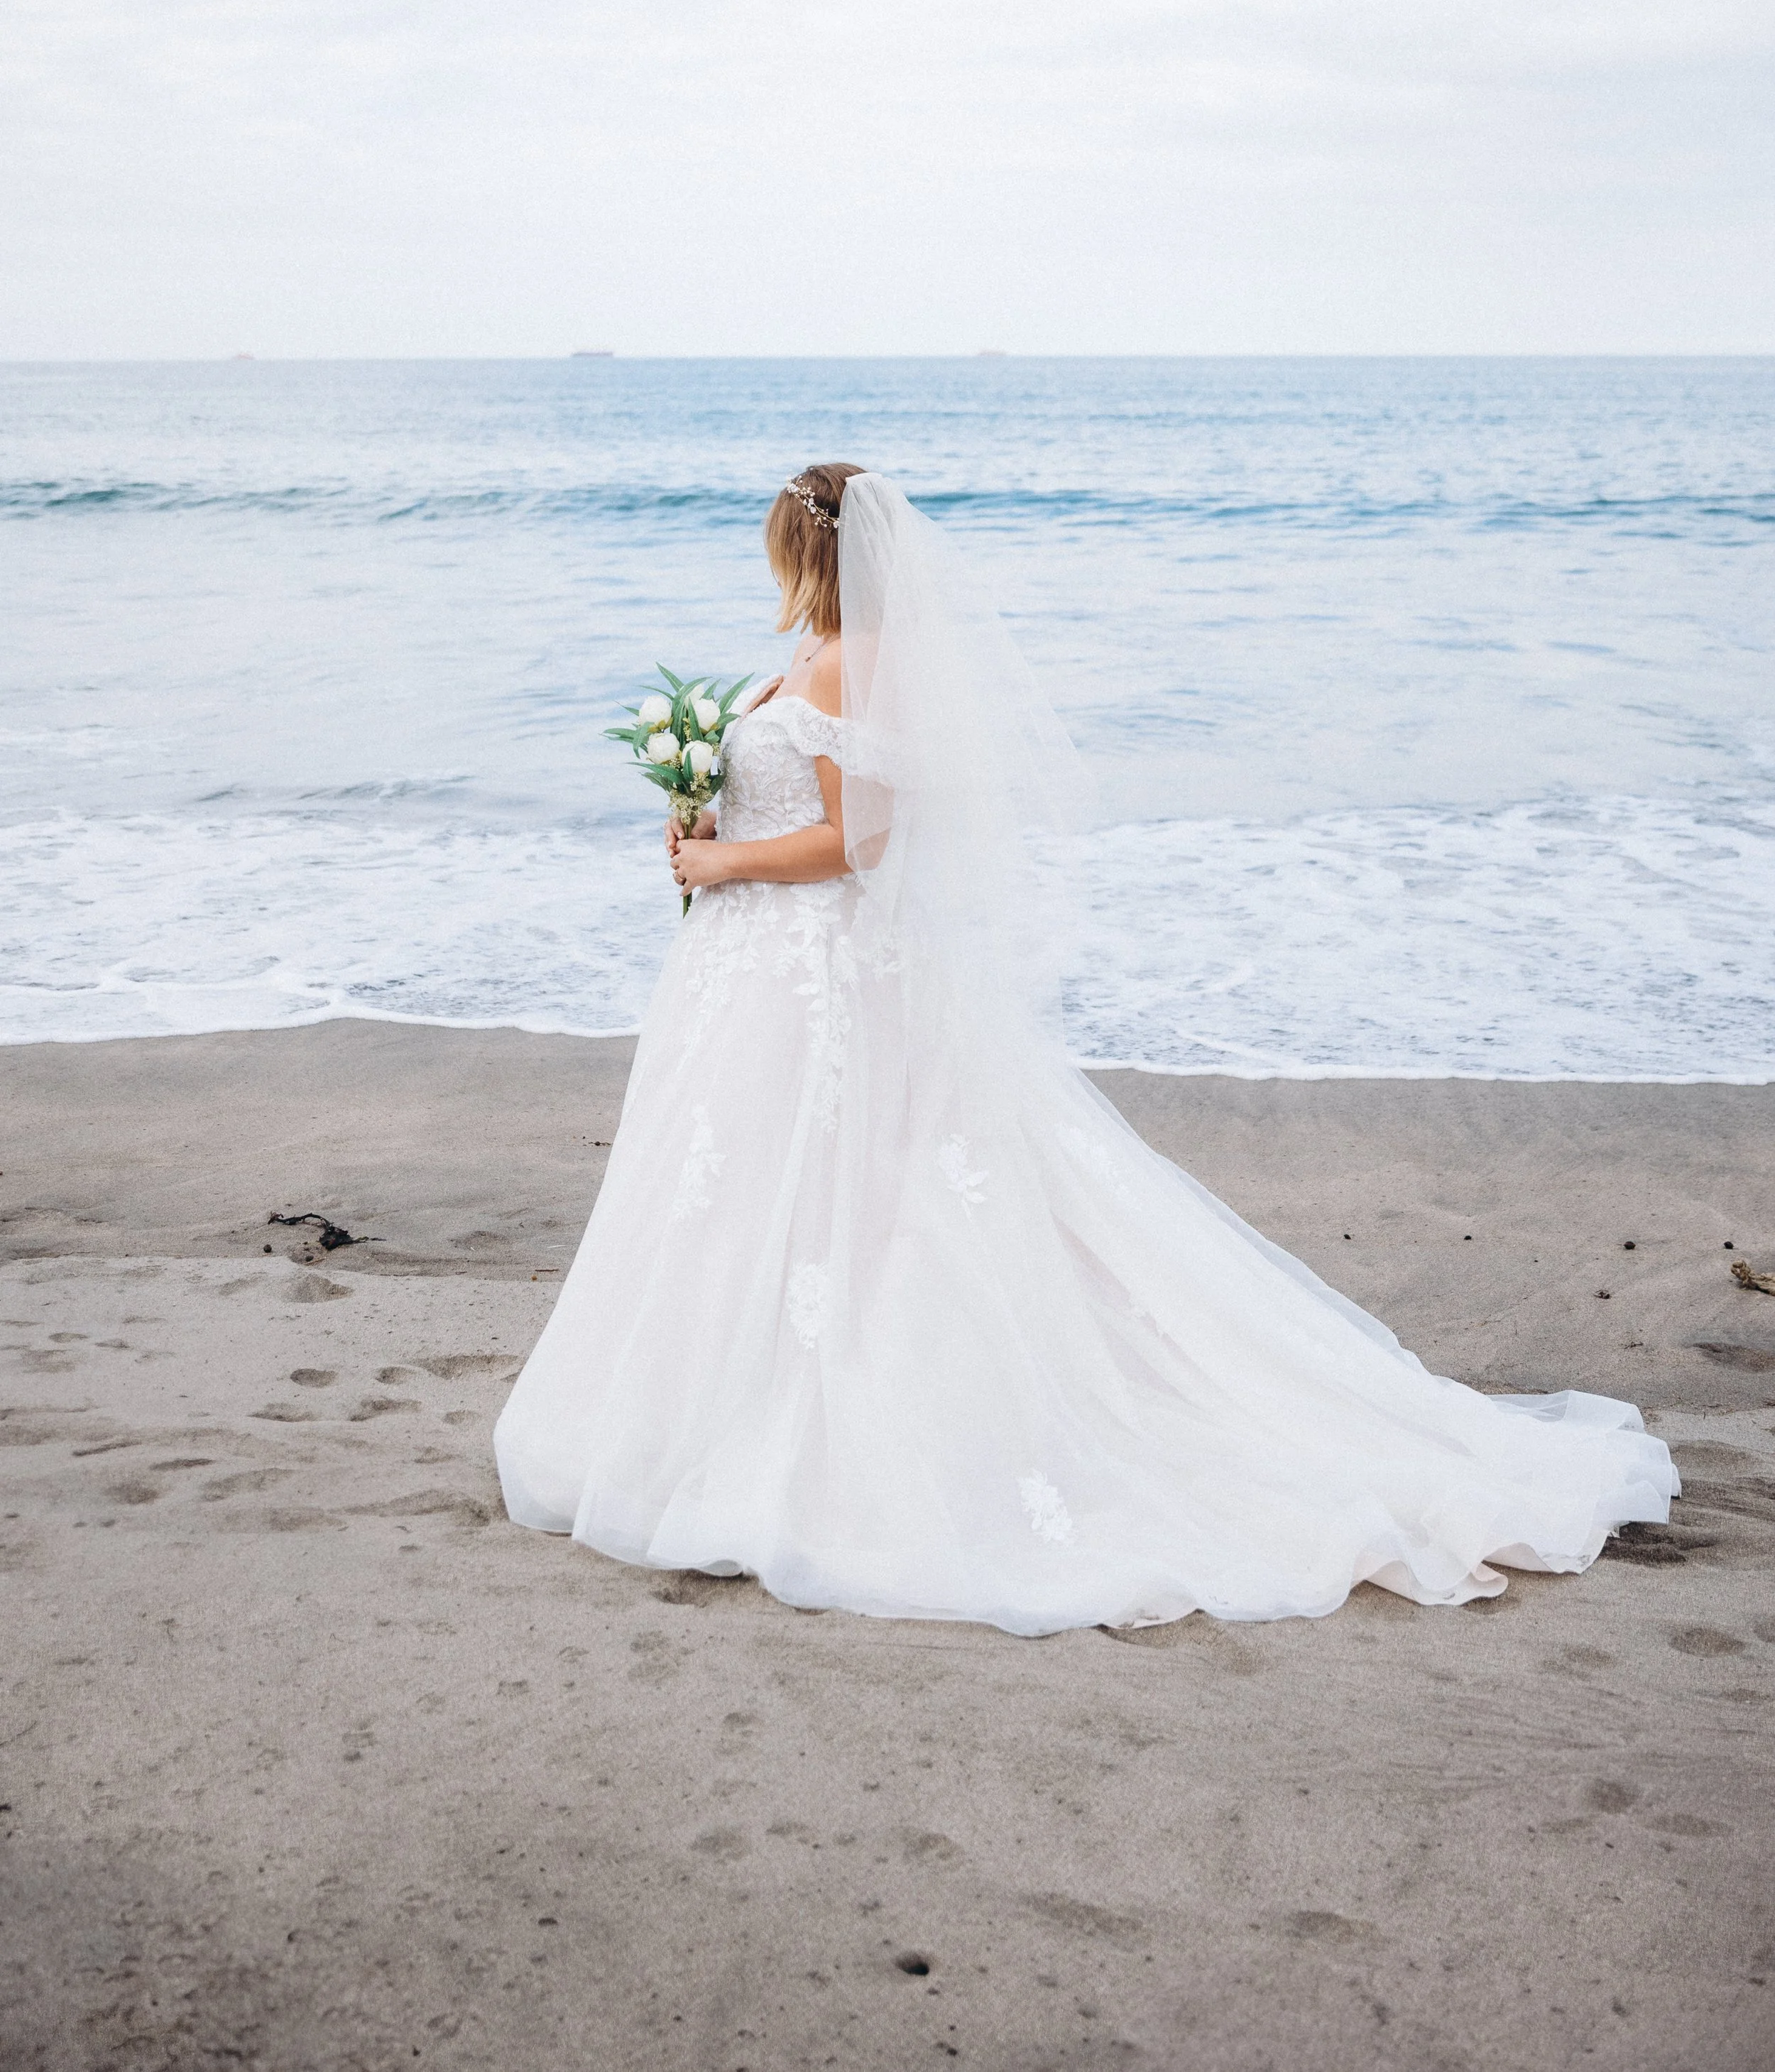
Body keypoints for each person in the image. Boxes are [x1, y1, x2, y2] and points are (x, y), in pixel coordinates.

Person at [495, 465, 1675, 1634]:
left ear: (807, 552)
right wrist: (699, 821)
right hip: (757, 976)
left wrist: (725, 864)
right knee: (751, 1191)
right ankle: (719, 1409)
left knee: (863, 1195)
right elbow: (786, 801)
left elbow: (860, 840)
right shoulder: (798, 660)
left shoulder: (857, 664)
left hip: (826, 972)